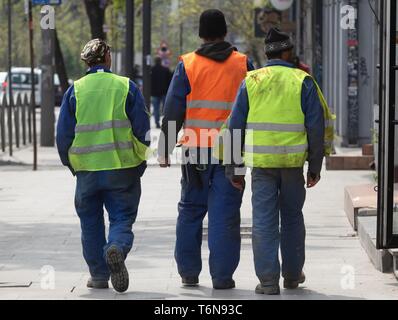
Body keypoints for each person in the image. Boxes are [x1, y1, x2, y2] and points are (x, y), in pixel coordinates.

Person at [225, 28, 334, 295]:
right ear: (288, 52)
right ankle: (293, 275)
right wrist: (315, 166)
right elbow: (316, 126)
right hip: (293, 165)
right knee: (293, 218)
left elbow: (234, 127)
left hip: (262, 166)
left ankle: (269, 281)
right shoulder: (303, 81)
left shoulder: (251, 81)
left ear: (267, 53)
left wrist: (234, 168)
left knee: (263, 221)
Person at [158, 9, 254, 290]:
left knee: (190, 210)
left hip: (195, 148)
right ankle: (222, 278)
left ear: (201, 34)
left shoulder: (187, 64)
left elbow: (173, 108)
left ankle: (188, 273)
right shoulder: (242, 64)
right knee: (225, 214)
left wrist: (164, 148)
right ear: (225, 32)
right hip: (232, 147)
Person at [56, 39, 150, 293]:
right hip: (122, 169)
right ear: (108, 58)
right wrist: (140, 161)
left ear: (86, 62)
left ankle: (98, 276)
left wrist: (71, 164)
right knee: (122, 218)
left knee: (90, 222)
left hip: (87, 171)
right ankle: (116, 247)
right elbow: (143, 130)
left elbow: (63, 136)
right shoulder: (126, 86)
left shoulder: (74, 90)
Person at [151, 57, 172, 128]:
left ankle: (157, 123)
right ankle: (165, 123)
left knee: (156, 109)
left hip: (154, 93)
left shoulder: (151, 70)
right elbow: (170, 81)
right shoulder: (165, 70)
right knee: (166, 109)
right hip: (164, 92)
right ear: (160, 62)